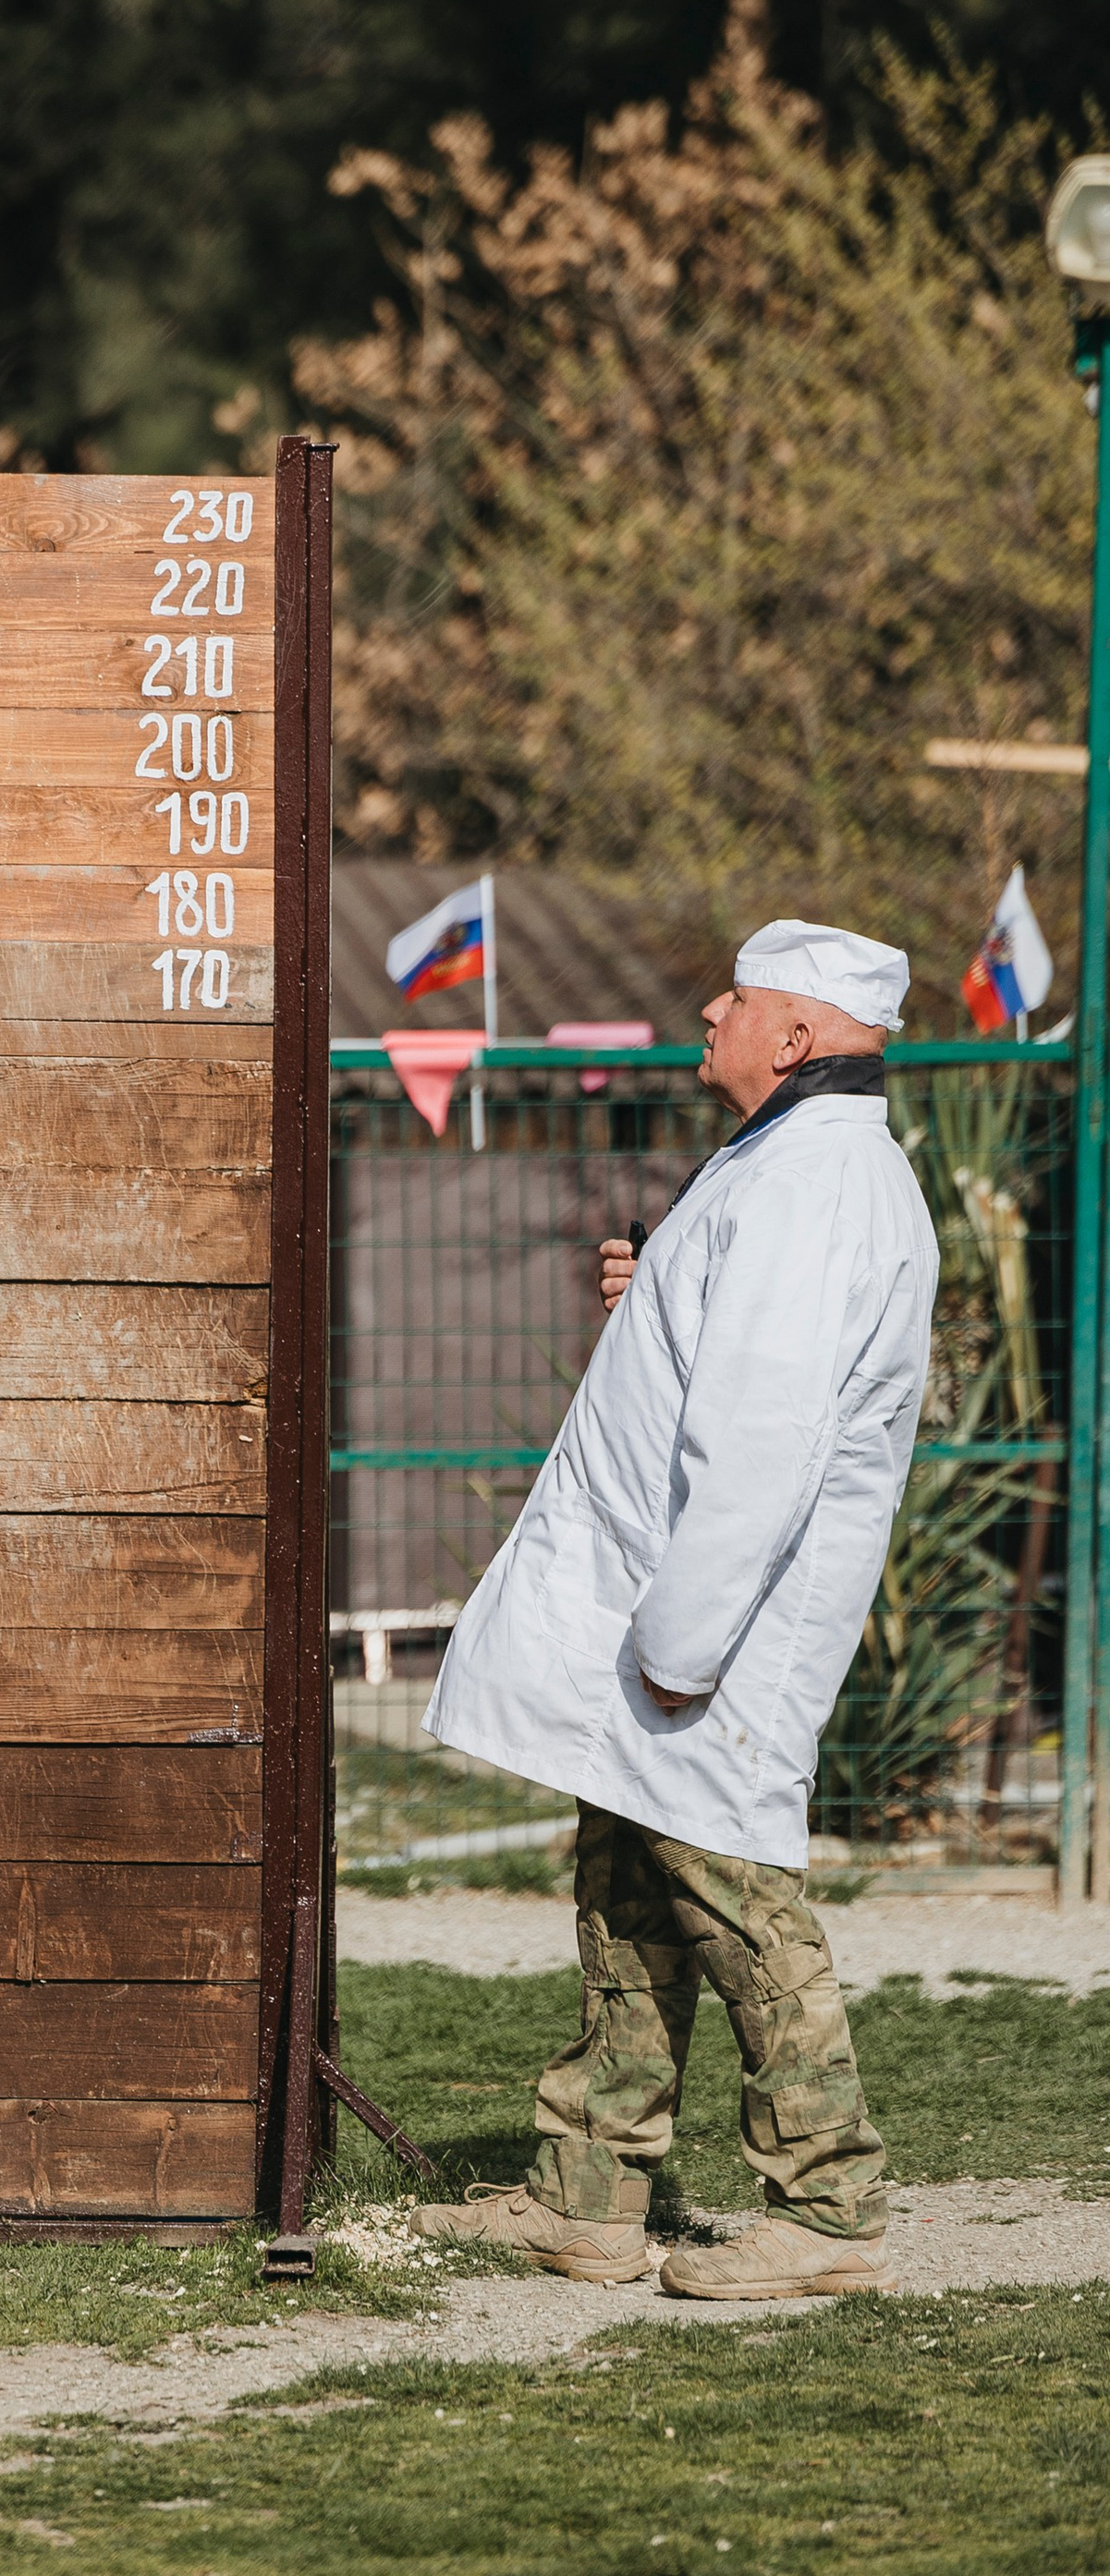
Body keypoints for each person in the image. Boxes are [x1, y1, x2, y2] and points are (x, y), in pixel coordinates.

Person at [416, 920, 939, 2302]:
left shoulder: (817, 1184)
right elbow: (734, 1357)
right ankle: (587, 2196)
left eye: (740, 996)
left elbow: (764, 1436)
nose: (710, 1008)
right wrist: (657, 1295)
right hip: (678, 1611)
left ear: (797, 1036)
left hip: (716, 1624)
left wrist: (685, 1638)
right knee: (630, 1881)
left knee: (737, 1897)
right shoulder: (781, 1161)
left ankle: (829, 2212)